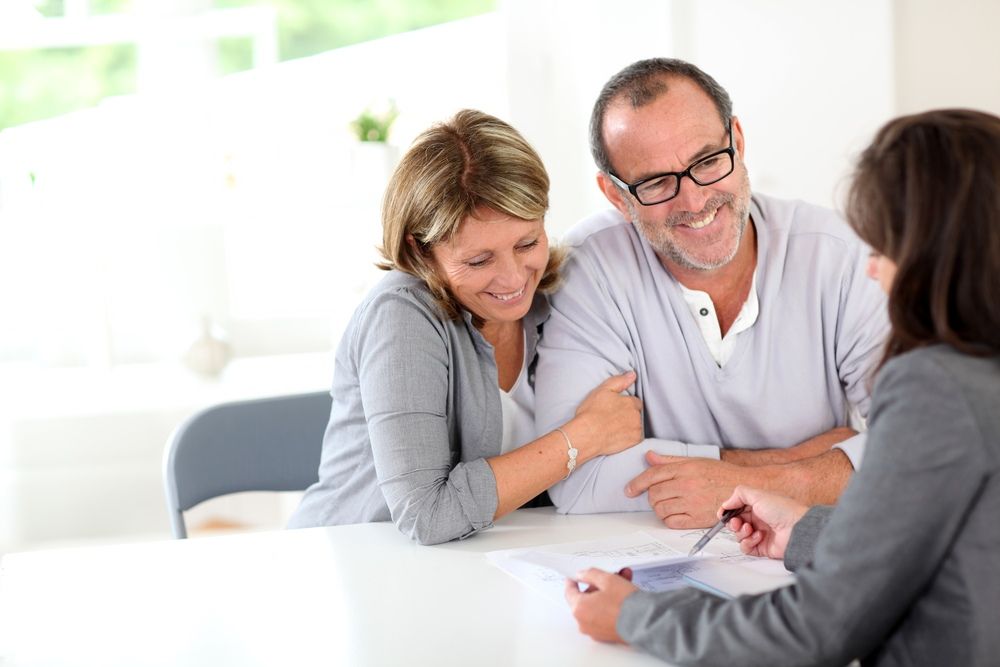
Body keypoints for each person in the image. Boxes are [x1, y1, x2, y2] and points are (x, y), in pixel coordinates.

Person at [565, 108, 1000, 666]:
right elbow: (942, 535)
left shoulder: (935, 386)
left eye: (882, 248)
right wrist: (807, 530)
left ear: (936, 251)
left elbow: (815, 629)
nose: (872, 271)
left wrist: (634, 615)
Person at [534, 58, 888, 526]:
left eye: (707, 162)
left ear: (737, 141)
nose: (695, 200)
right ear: (617, 196)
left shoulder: (839, 255)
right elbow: (576, 478)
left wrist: (740, 483)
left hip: (805, 551)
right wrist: (805, 463)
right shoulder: (588, 268)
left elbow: (919, 442)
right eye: (656, 182)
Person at [288, 109, 643, 545]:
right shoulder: (400, 317)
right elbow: (426, 514)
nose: (513, 279)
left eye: (527, 243)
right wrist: (583, 437)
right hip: (354, 557)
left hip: (485, 559)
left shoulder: (555, 298)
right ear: (420, 250)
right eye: (479, 261)